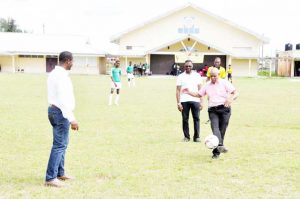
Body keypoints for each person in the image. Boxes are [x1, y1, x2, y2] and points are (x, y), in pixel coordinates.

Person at [183, 68, 238, 159]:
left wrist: (230, 99)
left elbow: (236, 93)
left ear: (218, 75)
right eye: (211, 76)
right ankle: (219, 147)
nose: (213, 78)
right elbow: (199, 95)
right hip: (213, 110)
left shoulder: (225, 83)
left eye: (214, 76)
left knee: (222, 131)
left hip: (225, 109)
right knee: (215, 128)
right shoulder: (207, 85)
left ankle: (216, 151)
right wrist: (188, 92)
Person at [45, 51, 79, 187]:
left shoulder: (55, 73)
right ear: (68, 61)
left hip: (56, 111)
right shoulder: (61, 76)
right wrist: (72, 119)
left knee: (62, 144)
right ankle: (50, 177)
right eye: (72, 61)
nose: (73, 64)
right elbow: (62, 99)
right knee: (59, 145)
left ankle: (60, 173)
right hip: (60, 112)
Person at [176, 60, 203, 142]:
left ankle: (197, 137)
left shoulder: (197, 75)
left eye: (190, 66)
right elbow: (177, 90)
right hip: (184, 100)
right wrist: (178, 102)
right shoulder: (180, 76)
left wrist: (201, 101)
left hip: (195, 100)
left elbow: (200, 89)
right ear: (184, 66)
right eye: (186, 66)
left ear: (192, 66)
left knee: (197, 118)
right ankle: (186, 137)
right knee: (185, 119)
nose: (188, 67)